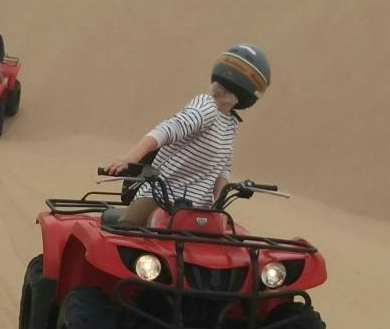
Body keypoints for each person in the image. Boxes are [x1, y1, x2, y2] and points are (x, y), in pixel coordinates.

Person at [101, 44, 271, 226]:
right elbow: (168, 130)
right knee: (128, 232)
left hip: (197, 211)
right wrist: (130, 157)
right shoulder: (206, 107)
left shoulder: (230, 123)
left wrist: (219, 210)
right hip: (160, 198)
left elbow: (222, 170)